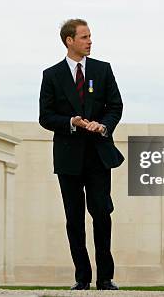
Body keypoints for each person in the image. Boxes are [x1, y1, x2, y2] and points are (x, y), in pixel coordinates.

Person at [39, 18, 124, 291]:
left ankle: (105, 278)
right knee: (74, 219)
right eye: (84, 37)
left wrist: (105, 125)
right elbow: (45, 116)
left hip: (98, 154)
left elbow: (115, 105)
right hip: (68, 157)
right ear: (69, 41)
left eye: (90, 36)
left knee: (101, 214)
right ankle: (82, 277)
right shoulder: (51, 75)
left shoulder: (103, 70)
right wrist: (70, 122)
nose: (90, 41)